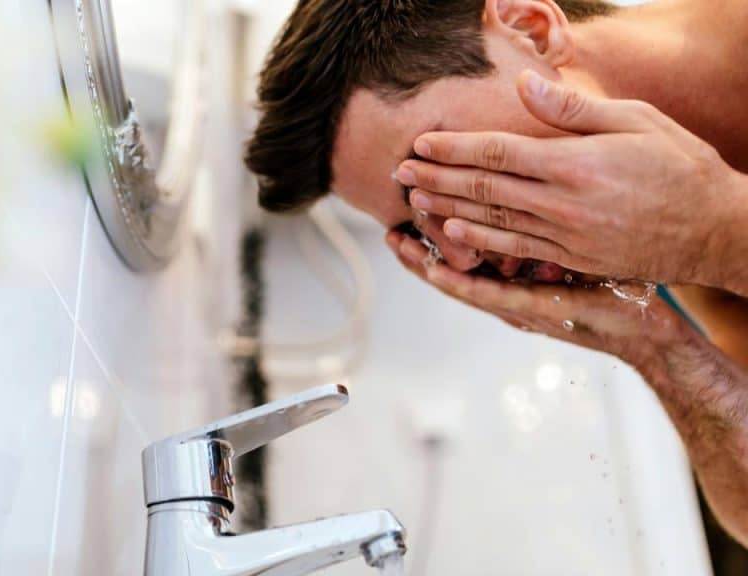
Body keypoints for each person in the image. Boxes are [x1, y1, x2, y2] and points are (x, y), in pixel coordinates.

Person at [244, 0, 748, 545]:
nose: (460, 253)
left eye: (438, 177)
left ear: (530, 28)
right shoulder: (688, 254)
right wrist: (659, 350)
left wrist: (715, 237)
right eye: (418, 232)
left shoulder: (702, 230)